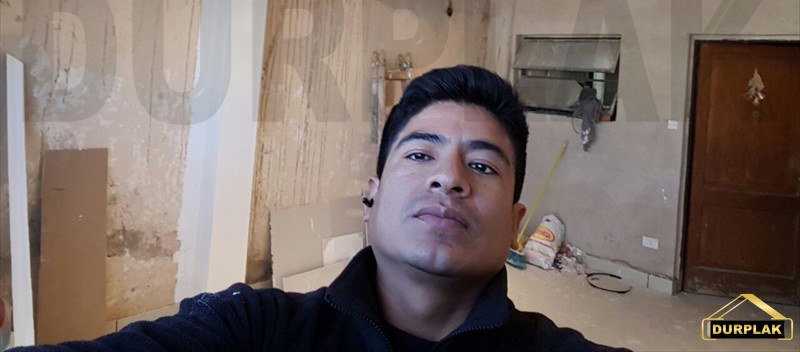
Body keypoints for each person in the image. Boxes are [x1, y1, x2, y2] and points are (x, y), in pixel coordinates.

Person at [16, 65, 628, 351]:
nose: (449, 178)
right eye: (420, 154)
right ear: (373, 193)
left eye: (484, 166)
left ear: (516, 224)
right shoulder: (255, 331)